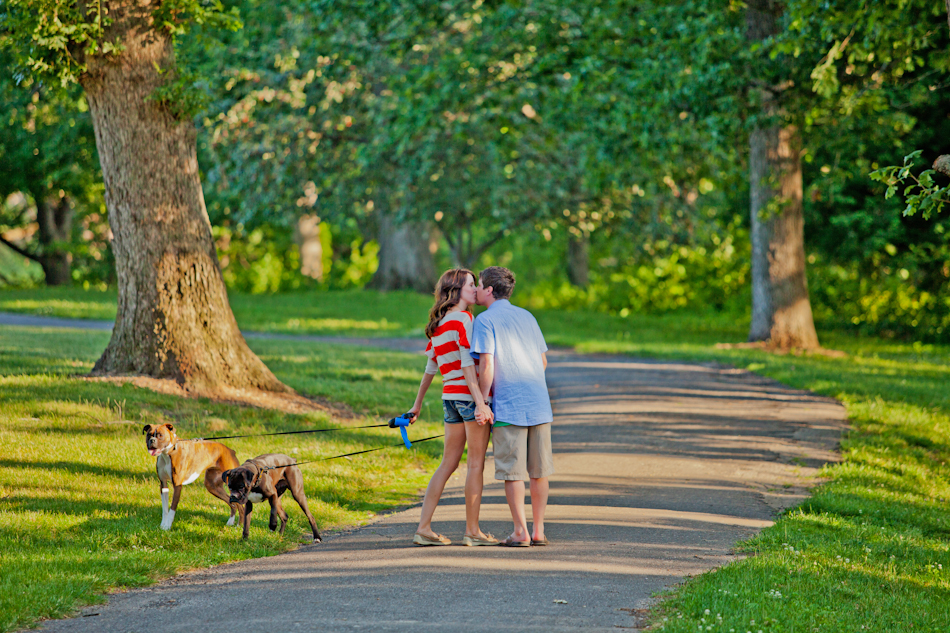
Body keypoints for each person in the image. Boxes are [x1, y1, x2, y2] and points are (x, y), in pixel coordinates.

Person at [406, 268, 498, 546]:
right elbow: (469, 366)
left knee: (447, 463)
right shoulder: (465, 320)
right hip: (469, 398)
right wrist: (481, 403)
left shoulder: (438, 325)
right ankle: (473, 531)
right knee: (475, 464)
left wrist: (416, 405)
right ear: (456, 290)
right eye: (471, 284)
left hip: (449, 399)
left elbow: (429, 370)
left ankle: (424, 527)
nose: (475, 289)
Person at [472, 266, 554, 547]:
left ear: (489, 290)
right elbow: (543, 362)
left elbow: (487, 364)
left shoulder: (484, 321)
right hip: (540, 404)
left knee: (513, 471)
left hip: (509, 405)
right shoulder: (528, 316)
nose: (476, 290)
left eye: (479, 285)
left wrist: (482, 400)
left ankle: (521, 531)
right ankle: (539, 530)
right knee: (539, 471)